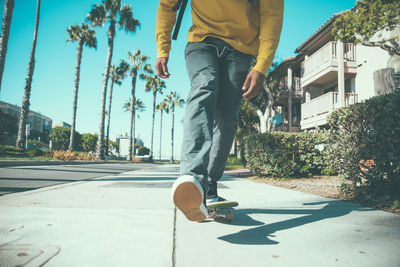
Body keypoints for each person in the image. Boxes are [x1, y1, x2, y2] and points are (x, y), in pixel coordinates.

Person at [155, 0, 284, 221]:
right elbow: (167, 5)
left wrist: (262, 66)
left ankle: (209, 185)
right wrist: (162, 48)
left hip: (240, 50)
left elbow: (272, 15)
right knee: (203, 87)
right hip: (201, 42)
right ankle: (192, 177)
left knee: (226, 119)